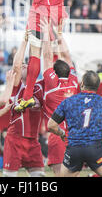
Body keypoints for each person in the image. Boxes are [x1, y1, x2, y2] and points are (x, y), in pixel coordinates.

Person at [47, 70, 102, 177]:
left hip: (74, 149)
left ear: (82, 84)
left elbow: (51, 125)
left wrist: (62, 134)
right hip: (95, 149)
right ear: (97, 86)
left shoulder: (68, 101)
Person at [38, 19, 80, 175]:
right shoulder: (74, 82)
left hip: (57, 135)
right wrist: (59, 34)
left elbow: (47, 56)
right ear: (69, 71)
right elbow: (67, 55)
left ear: (54, 73)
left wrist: (46, 32)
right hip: (75, 135)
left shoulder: (52, 84)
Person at [2, 31, 45, 177]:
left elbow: (42, 63)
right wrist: (25, 41)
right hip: (15, 139)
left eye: (28, 64)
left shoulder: (39, 87)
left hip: (33, 140)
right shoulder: (16, 87)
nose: (25, 65)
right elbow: (16, 66)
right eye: (24, 64)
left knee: (40, 177)